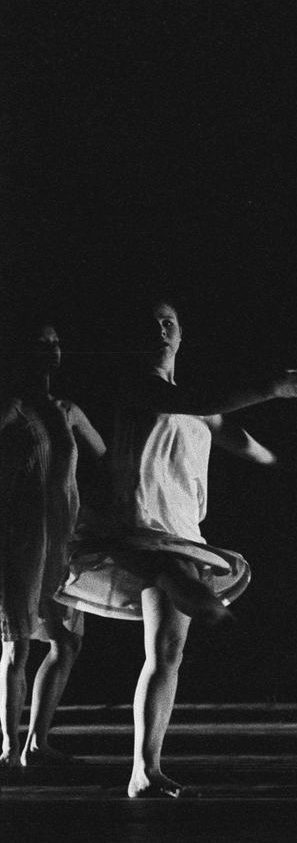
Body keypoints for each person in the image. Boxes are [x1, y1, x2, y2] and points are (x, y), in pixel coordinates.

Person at [56, 301, 297, 796]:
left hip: (183, 531)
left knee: (166, 652)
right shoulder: (139, 386)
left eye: (168, 323)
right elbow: (199, 401)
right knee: (180, 584)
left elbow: (235, 435)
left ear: (181, 334)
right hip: (140, 526)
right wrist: (267, 389)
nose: (160, 331)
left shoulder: (200, 405)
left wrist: (283, 462)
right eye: (150, 325)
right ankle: (224, 618)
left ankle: (143, 770)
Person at [1, 324, 107, 767]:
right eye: (41, 343)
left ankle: (36, 744)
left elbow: (107, 458)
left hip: (62, 538)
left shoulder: (68, 410)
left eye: (57, 342)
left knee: (66, 641)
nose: (53, 350)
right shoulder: (11, 408)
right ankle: (9, 746)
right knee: (18, 641)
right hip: (20, 538)